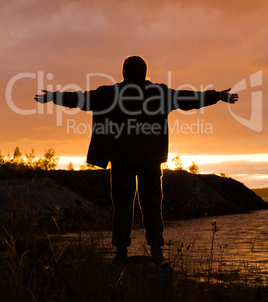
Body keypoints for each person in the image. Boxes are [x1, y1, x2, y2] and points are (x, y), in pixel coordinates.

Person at [34, 56, 239, 266]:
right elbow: (189, 98)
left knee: (122, 207)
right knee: (152, 206)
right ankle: (157, 252)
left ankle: (121, 253)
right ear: (145, 72)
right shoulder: (159, 93)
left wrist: (54, 96)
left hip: (121, 161)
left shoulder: (110, 94)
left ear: (124, 73)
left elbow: (81, 99)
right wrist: (218, 96)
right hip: (150, 161)